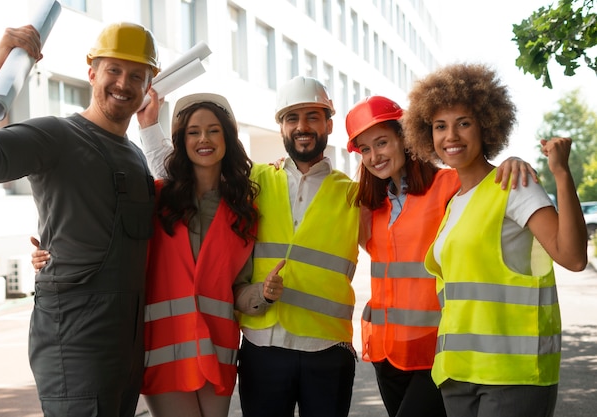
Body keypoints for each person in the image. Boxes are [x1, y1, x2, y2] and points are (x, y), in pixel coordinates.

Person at [138, 75, 360, 417]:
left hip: (327, 349)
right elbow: (185, 171)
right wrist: (149, 125)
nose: (302, 126)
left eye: (313, 116)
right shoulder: (254, 182)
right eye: (291, 118)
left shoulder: (354, 195)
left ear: (329, 123)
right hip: (262, 348)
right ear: (281, 127)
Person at [0, 22, 160, 417]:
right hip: (76, 344)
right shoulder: (56, 136)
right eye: (113, 70)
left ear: (147, 87)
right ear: (91, 73)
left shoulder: (136, 156)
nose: (123, 83)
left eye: (136, 75)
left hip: (127, 345)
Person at [402, 62, 588, 417]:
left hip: (513, 377)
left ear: (486, 126)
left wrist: (562, 175)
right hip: (458, 374)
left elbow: (573, 256)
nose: (450, 136)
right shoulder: (454, 204)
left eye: (464, 123)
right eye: (440, 126)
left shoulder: (513, 184)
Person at [345, 95, 537, 417]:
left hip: (435, 350)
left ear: (404, 139)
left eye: (382, 143)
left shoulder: (447, 186)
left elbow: (487, 184)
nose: (374, 156)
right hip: (386, 353)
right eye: (365, 149)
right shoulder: (370, 204)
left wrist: (512, 161)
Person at [140, 93, 260, 417]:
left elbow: (239, 286)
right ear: (181, 141)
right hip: (165, 349)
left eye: (213, 130)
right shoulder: (157, 198)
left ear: (227, 139)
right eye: (193, 132)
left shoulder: (243, 212)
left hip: (217, 349)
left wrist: (262, 294)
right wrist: (57, 252)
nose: (203, 139)